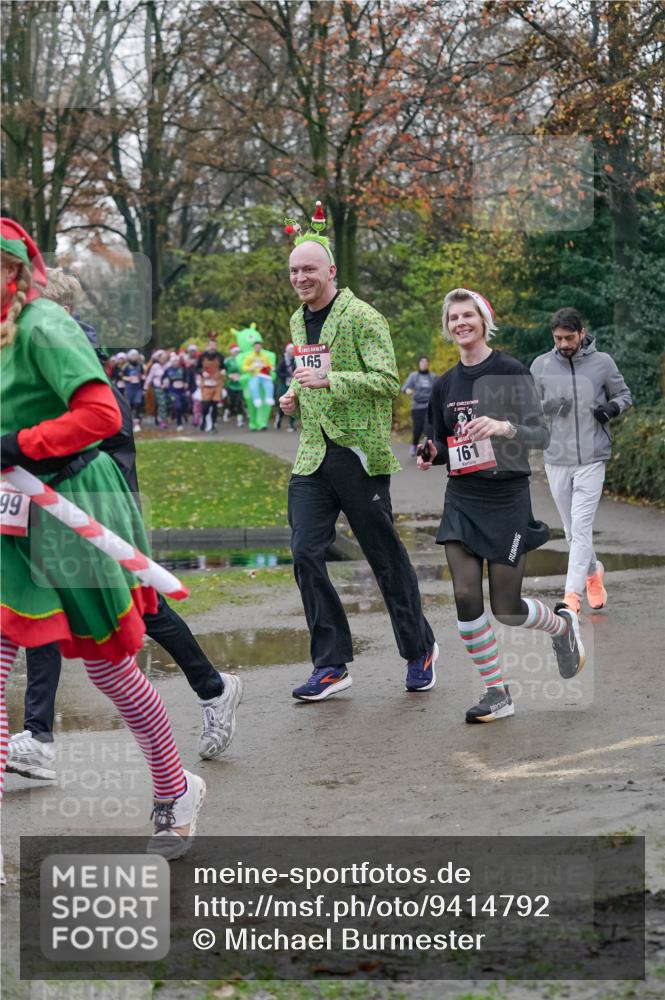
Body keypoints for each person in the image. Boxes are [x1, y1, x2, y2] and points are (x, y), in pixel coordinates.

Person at [0, 218, 204, 858]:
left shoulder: (43, 326)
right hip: (12, 512)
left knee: (107, 665)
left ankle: (176, 789)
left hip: (72, 503)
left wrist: (20, 445)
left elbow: (100, 414)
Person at [6, 268, 242, 781]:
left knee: (140, 615)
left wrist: (92, 499)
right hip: (39, 506)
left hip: (93, 503)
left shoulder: (69, 349)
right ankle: (40, 738)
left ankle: (213, 690)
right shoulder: (23, 348)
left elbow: (109, 431)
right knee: (41, 615)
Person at [279, 201, 438, 701]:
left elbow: (388, 382)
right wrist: (294, 397)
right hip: (311, 457)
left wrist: (330, 379)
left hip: (359, 456)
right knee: (305, 552)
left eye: (309, 269)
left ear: (330, 270)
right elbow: (309, 378)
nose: (301, 277)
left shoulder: (363, 317)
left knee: (384, 557)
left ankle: (420, 649)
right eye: (293, 271)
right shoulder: (295, 319)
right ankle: (331, 664)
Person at [417, 288, 585, 724]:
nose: (460, 323)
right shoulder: (444, 385)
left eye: (467, 315)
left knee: (506, 609)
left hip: (506, 498)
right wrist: (427, 450)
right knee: (464, 595)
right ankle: (497, 691)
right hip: (463, 499)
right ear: (448, 326)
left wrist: (504, 426)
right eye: (453, 318)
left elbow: (541, 435)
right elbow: (436, 440)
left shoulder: (510, 371)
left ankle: (563, 628)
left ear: (483, 320)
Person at [530, 307, 632, 614]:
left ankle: (571, 598)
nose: (563, 343)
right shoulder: (541, 365)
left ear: (582, 333)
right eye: (558, 338)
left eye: (569, 337)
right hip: (556, 459)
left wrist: (611, 409)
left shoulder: (603, 363)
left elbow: (624, 395)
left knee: (582, 527)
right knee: (572, 529)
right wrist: (550, 406)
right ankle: (592, 573)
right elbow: (528, 408)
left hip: (591, 457)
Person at [401, 356, 436, 456]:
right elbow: (404, 388)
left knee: (428, 429)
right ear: (419, 364)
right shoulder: (414, 376)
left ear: (428, 364)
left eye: (426, 362)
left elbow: (437, 390)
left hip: (428, 406)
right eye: (422, 362)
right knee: (418, 429)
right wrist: (407, 390)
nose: (424, 364)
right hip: (417, 406)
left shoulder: (432, 377)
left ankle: (426, 449)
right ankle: (414, 445)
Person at [196, 335, 224, 432]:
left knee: (215, 404)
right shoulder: (202, 356)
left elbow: (223, 367)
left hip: (217, 382)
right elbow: (197, 368)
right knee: (206, 405)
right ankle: (203, 419)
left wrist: (223, 371)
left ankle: (213, 424)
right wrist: (202, 372)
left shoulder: (220, 356)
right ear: (208, 346)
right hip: (206, 383)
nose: (212, 347)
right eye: (211, 345)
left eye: (214, 345)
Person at [144, 349, 169, 428]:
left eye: (165, 357)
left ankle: (163, 418)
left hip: (168, 388)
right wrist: (145, 387)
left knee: (166, 404)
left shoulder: (168, 365)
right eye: (162, 357)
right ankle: (163, 421)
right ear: (158, 358)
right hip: (158, 388)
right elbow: (150, 377)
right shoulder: (155, 366)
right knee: (162, 404)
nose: (164, 359)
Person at [275, 342, 296, 431]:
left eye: (293, 349)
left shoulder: (296, 360)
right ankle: (278, 419)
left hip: (294, 384)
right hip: (284, 385)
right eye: (290, 349)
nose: (292, 351)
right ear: (287, 350)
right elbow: (278, 373)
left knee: (294, 403)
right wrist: (288, 375)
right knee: (284, 404)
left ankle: (291, 424)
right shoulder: (283, 360)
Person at [223, 343, 246, 427]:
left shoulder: (242, 360)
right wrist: (229, 375)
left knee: (239, 402)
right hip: (231, 384)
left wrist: (241, 376)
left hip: (240, 384)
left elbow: (245, 370)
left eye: (238, 351)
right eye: (235, 351)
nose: (237, 353)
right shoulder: (227, 360)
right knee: (231, 402)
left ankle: (240, 421)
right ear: (231, 352)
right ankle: (227, 411)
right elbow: (223, 371)